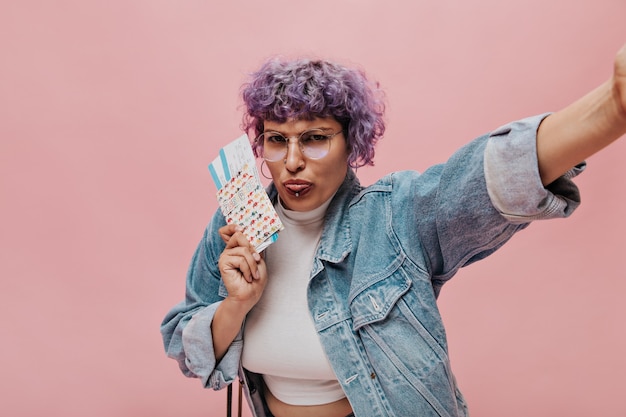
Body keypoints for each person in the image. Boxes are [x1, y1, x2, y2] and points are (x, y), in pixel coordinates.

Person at [161, 44, 626, 417]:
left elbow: (483, 180)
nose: (293, 161)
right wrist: (236, 304)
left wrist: (611, 106)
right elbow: (187, 345)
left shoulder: (393, 217)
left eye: (316, 137)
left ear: (353, 142)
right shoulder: (235, 224)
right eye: (277, 140)